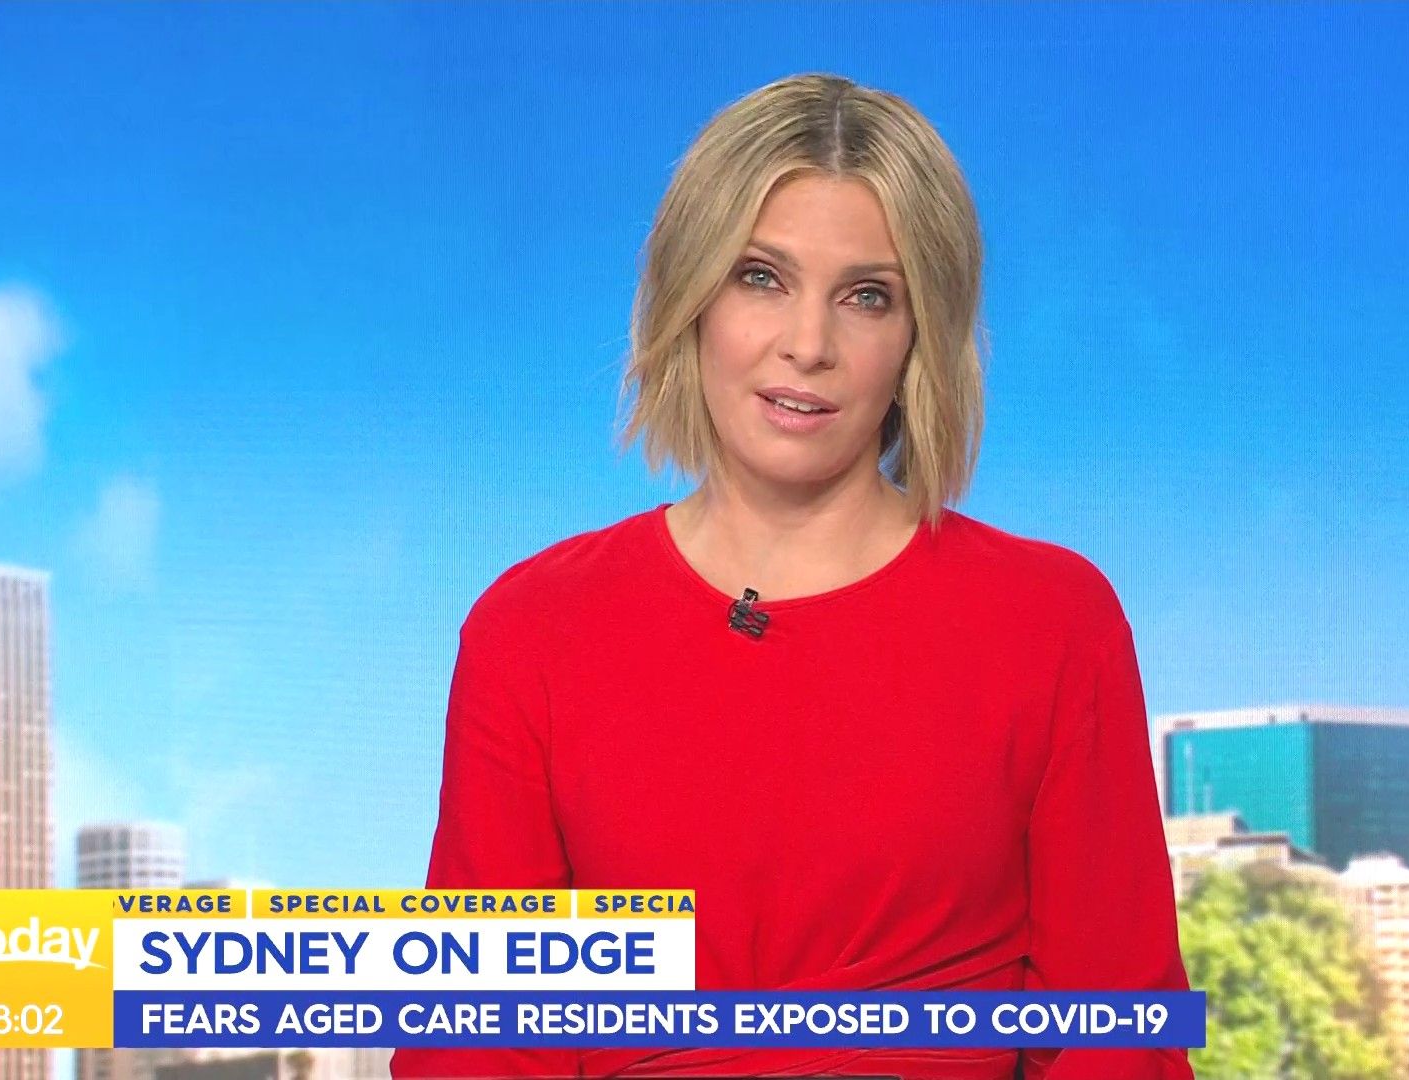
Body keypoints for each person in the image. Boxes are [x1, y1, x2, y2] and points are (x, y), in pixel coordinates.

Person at [391, 72, 1192, 1080]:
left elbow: (1119, 1033)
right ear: (690, 298)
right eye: (760, 277)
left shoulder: (1052, 620)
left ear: (919, 338)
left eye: (867, 296)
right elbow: (477, 1044)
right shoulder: (532, 628)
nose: (807, 345)